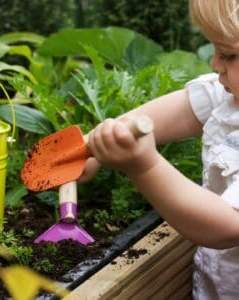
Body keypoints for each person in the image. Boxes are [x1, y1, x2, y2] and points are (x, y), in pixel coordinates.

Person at [78, 0, 239, 299]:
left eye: (228, 54)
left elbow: (226, 226)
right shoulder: (226, 95)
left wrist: (145, 166)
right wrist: (89, 146)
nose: (214, 64)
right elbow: (164, 115)